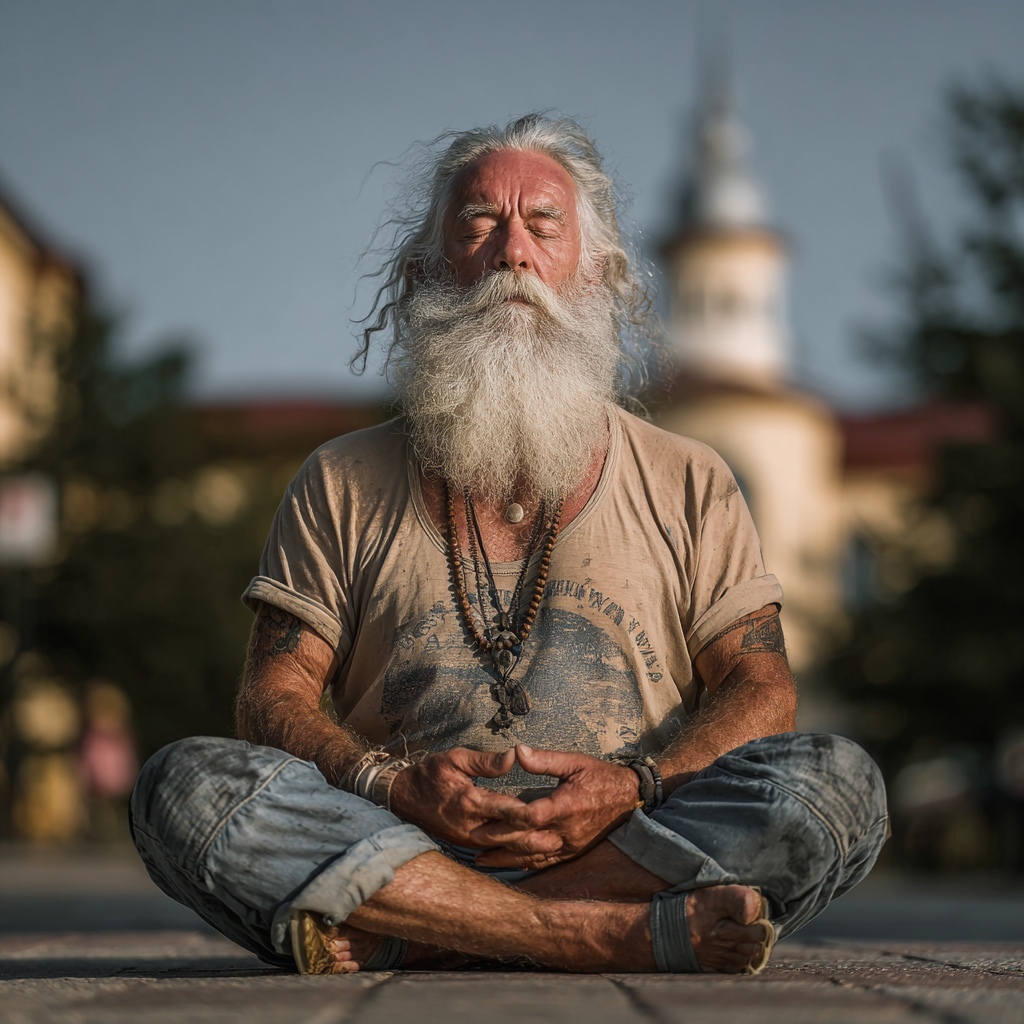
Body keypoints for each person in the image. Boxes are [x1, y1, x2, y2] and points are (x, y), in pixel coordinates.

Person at [130, 115, 888, 976]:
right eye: (478, 224)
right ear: (427, 272)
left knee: (839, 783)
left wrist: (633, 786)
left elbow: (762, 686)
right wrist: (388, 786)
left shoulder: (690, 479)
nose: (512, 254)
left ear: (598, 274)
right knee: (182, 787)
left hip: (631, 837)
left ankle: (421, 931)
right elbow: (272, 694)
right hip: (399, 836)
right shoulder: (339, 479)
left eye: (544, 225)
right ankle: (592, 936)